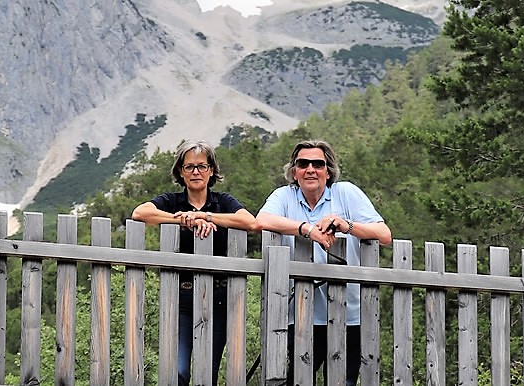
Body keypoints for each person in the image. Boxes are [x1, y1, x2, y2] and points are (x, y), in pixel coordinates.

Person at [255, 139, 392, 385]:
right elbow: (261, 220)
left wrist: (345, 225)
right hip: (298, 314)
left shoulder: (346, 193)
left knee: (343, 382)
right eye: (303, 163)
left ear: (328, 172)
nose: (310, 169)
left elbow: (384, 235)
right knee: (297, 380)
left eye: (318, 164)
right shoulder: (284, 196)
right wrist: (307, 229)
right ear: (294, 172)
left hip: (349, 313)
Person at [131, 140, 258, 386]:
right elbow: (140, 213)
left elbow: (250, 222)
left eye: (202, 166)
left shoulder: (223, 202)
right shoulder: (172, 202)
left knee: (207, 373)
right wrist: (183, 220)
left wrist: (204, 215)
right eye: (189, 167)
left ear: (211, 170)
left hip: (220, 298)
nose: (196, 172)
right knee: (178, 371)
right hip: (182, 298)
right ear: (180, 171)